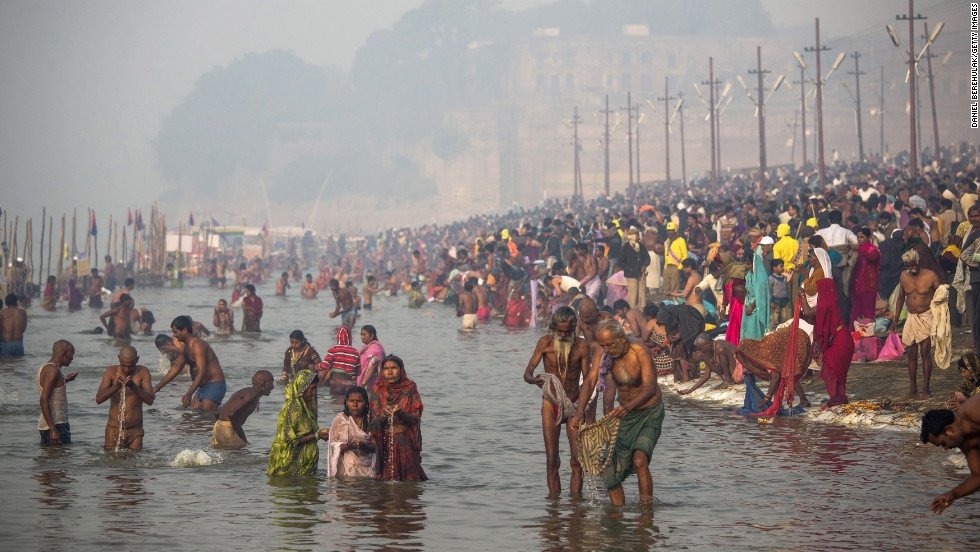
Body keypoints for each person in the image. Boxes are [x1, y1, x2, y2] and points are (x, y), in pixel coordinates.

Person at [571, 319, 664, 506]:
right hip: (624, 415)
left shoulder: (640, 351)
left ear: (622, 337)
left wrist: (628, 407)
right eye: (603, 345)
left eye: (611, 345)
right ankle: (617, 515)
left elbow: (651, 389)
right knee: (609, 472)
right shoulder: (603, 351)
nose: (608, 350)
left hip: (649, 412)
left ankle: (646, 514)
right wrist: (580, 411)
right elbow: (590, 380)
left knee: (639, 460)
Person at [522, 307, 590, 496]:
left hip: (575, 404)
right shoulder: (545, 342)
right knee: (552, 460)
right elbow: (527, 372)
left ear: (573, 328)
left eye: (567, 331)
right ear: (553, 328)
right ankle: (554, 511)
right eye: (559, 331)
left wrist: (583, 409)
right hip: (550, 402)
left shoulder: (582, 346)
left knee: (577, 461)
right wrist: (534, 380)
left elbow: (588, 380)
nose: (563, 335)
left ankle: (576, 508)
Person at [369, 355, 427, 481]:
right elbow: (373, 423)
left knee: (410, 482)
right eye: (386, 368)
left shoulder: (410, 388)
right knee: (385, 482)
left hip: (405, 442)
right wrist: (384, 415)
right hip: (384, 443)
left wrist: (402, 413)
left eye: (394, 368)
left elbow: (416, 417)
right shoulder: (377, 390)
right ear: (382, 371)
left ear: (401, 370)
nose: (390, 372)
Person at [920, 396, 980, 514]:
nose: (946, 448)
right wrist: (953, 494)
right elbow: (978, 476)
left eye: (943, 443)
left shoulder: (974, 410)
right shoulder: (966, 442)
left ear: (950, 429)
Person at [895, 249, 942, 399]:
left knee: (925, 352)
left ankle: (926, 390)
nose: (909, 269)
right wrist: (896, 319)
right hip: (911, 317)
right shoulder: (903, 276)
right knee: (911, 354)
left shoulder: (930, 276)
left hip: (927, 316)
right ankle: (913, 389)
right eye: (907, 266)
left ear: (918, 263)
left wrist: (941, 320)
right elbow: (901, 297)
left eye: (912, 265)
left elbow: (941, 297)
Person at [154, 315, 227, 410]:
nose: (174, 335)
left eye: (175, 332)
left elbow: (202, 370)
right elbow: (175, 369)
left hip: (214, 385)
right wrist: (157, 388)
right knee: (192, 416)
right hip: (202, 387)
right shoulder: (185, 348)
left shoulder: (198, 345)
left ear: (184, 330)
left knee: (206, 418)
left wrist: (189, 393)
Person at [801, 279, 854, 407]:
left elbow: (808, 312)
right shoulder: (830, 303)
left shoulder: (825, 303)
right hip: (839, 340)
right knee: (833, 369)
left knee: (831, 368)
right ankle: (838, 397)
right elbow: (815, 319)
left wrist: (802, 295)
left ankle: (837, 398)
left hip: (840, 342)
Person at [267, 370, 329, 476]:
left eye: (316, 388)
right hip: (289, 464)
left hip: (305, 465)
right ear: (302, 388)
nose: (314, 392)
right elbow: (289, 441)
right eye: (312, 389)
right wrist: (316, 435)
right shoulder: (293, 409)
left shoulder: (310, 405)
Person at [95, 345, 155, 451]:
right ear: (118, 358)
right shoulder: (111, 372)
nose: (127, 369)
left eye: (131, 366)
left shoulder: (143, 372)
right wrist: (116, 386)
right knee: (110, 462)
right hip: (114, 429)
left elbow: (150, 399)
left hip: (135, 430)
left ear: (137, 360)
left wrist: (133, 386)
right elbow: (99, 399)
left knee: (135, 463)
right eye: (123, 365)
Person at [211, 370, 274, 449]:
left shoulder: (245, 391)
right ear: (263, 383)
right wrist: (242, 436)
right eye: (271, 382)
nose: (273, 386)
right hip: (228, 429)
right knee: (243, 452)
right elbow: (232, 414)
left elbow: (218, 412)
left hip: (218, 428)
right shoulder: (253, 393)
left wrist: (220, 430)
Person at [327, 386, 377, 478]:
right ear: (346, 402)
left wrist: (364, 446)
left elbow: (377, 446)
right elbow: (333, 446)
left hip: (368, 470)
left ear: (366, 403)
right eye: (351, 401)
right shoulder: (341, 419)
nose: (355, 404)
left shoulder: (371, 420)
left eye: (359, 401)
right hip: (345, 470)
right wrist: (348, 446)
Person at [37, 340, 78, 446]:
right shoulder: (53, 369)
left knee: (56, 461)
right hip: (55, 425)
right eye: (72, 354)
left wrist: (66, 380)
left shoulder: (49, 367)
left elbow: (53, 391)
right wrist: (53, 430)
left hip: (56, 424)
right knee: (58, 459)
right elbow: (43, 399)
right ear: (64, 353)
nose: (72, 358)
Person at [849, 227, 881, 326]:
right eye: (858, 237)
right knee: (856, 310)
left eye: (862, 237)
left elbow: (871, 257)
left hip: (868, 286)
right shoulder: (856, 250)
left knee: (867, 311)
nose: (859, 239)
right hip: (856, 285)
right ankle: (856, 335)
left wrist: (858, 249)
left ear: (868, 238)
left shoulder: (873, 250)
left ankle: (868, 335)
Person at [319, 326, 361, 395]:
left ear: (338, 337)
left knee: (336, 404)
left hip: (337, 384)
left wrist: (316, 366)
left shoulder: (334, 349)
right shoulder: (355, 352)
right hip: (349, 385)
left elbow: (325, 365)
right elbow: (358, 372)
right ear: (350, 337)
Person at [618, 227, 650, 309]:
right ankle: (633, 313)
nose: (638, 237)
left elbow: (647, 258)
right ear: (632, 236)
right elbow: (620, 262)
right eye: (637, 235)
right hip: (631, 275)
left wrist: (644, 265)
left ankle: (642, 312)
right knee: (633, 296)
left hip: (641, 275)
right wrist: (629, 269)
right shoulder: (625, 248)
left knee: (642, 296)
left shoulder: (641, 246)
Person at [357, 325, 386, 390]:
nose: (362, 337)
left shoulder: (375, 347)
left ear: (372, 335)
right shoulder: (365, 347)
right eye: (361, 334)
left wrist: (363, 383)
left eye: (364, 334)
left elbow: (374, 365)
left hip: (372, 384)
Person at [662, 222, 687, 294]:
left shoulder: (681, 241)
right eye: (668, 230)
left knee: (675, 289)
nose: (669, 232)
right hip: (667, 267)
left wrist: (679, 267)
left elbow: (685, 256)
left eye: (671, 230)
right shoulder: (666, 242)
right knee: (667, 289)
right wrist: (664, 268)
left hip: (676, 266)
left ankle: (675, 305)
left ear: (675, 231)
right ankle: (669, 304)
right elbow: (666, 256)